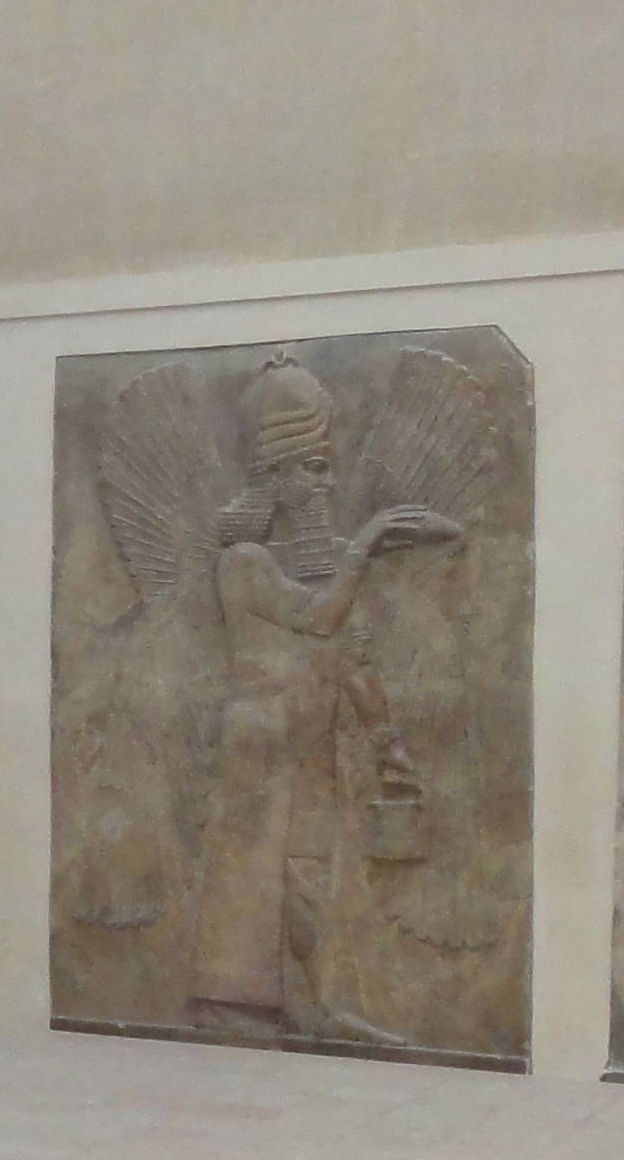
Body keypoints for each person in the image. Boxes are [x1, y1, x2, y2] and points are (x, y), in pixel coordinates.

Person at [180, 355, 457, 1043]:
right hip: (259, 739)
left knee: (308, 873)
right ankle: (228, 1002)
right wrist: (371, 541)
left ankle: (319, 1004)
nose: (326, 482)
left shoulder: (325, 557)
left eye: (328, 466)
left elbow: (351, 657)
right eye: (313, 467)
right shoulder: (243, 561)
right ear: (275, 474)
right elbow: (318, 618)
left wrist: (388, 745)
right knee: (250, 874)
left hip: (309, 736)